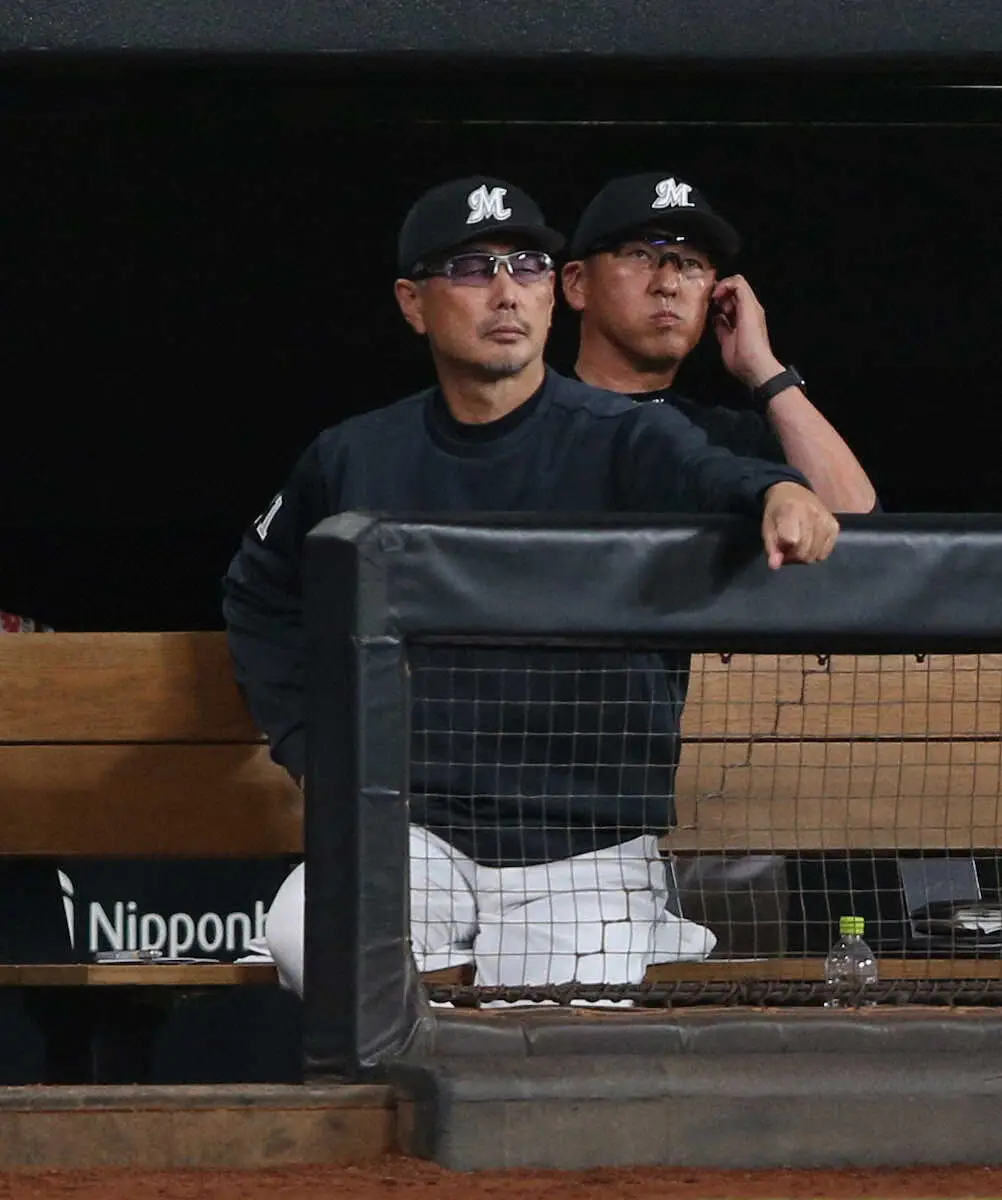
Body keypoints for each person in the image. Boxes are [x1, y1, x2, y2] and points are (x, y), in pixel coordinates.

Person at [222, 175, 840, 998]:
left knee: (548, 1028)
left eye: (527, 267)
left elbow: (716, 474)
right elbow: (260, 595)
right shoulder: (354, 455)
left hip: (586, 844)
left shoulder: (625, 434)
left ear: (554, 296)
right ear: (413, 303)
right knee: (305, 937)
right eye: (472, 270)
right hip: (415, 832)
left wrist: (778, 490)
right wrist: (313, 749)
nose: (506, 292)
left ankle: (621, 933)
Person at [561, 171, 877, 514]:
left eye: (691, 263)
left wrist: (765, 370)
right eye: (640, 255)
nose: (669, 284)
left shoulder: (733, 440)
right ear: (577, 283)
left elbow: (861, 532)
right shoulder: (533, 420)